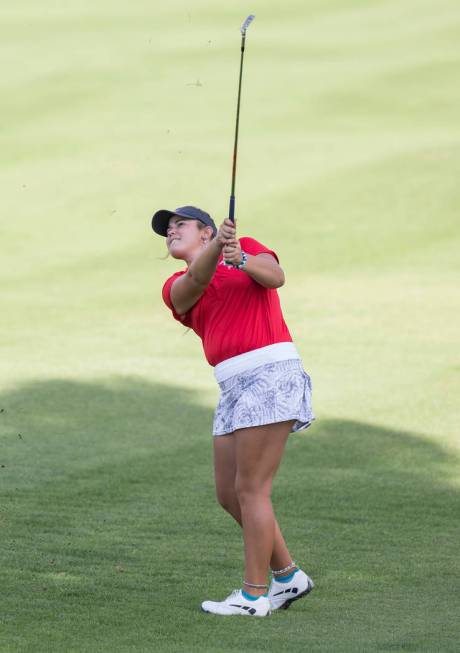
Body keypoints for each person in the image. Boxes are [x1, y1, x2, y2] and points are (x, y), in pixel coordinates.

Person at [151, 205, 315, 617]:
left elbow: (275, 278)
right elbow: (197, 280)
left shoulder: (248, 250)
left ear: (205, 232)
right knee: (229, 494)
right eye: (167, 230)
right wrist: (220, 247)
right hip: (231, 385)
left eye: (179, 225)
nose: (170, 232)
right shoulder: (175, 284)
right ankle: (288, 576)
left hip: (270, 371)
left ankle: (254, 596)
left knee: (251, 489)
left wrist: (239, 256)